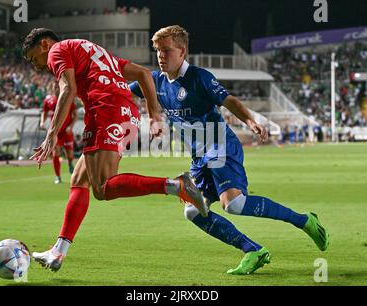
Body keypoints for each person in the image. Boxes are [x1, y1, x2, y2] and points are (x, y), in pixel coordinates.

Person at [130, 25, 329, 275]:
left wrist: (251, 121)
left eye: (166, 50)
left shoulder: (199, 77)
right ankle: (252, 250)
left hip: (220, 144)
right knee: (193, 211)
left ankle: (304, 221)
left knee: (233, 204)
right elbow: (123, 91)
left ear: (182, 51)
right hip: (199, 157)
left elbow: (230, 100)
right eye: (158, 50)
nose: (160, 56)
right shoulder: (154, 80)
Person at [22, 28, 207, 272]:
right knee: (79, 180)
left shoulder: (57, 50)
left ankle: (176, 185)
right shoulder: (91, 50)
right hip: (120, 110)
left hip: (105, 110)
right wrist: (153, 113)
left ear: (44, 44)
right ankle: (58, 251)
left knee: (102, 188)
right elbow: (142, 73)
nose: (37, 66)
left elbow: (67, 89)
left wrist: (52, 133)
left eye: (35, 59)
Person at [40, 81, 77, 184]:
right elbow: (44, 112)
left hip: (67, 132)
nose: (56, 88)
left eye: (57, 86)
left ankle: (70, 163)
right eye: (54, 86)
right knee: (56, 152)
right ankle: (58, 176)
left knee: (70, 154)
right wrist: (42, 122)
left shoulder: (67, 97)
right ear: (52, 87)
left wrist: (71, 126)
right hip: (56, 132)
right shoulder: (48, 100)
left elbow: (75, 114)